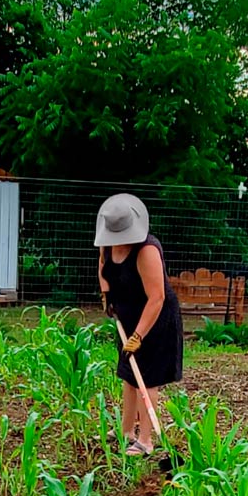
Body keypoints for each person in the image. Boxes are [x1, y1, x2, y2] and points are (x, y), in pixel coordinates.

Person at [95, 193, 183, 456]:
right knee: (128, 374)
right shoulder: (107, 245)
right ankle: (125, 431)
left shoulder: (146, 251)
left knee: (146, 377)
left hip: (155, 319)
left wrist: (138, 336)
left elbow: (157, 297)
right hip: (127, 315)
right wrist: (107, 295)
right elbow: (103, 267)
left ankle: (145, 440)